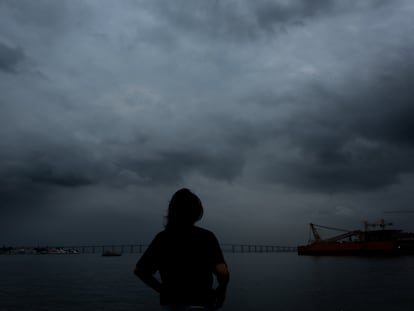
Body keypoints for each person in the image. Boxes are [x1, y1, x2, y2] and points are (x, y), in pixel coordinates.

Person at [134, 188, 229, 311]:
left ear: (172, 211)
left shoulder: (162, 238)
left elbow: (139, 270)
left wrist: (162, 289)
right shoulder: (207, 236)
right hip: (202, 302)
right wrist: (221, 292)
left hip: (172, 305)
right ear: (197, 212)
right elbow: (222, 271)